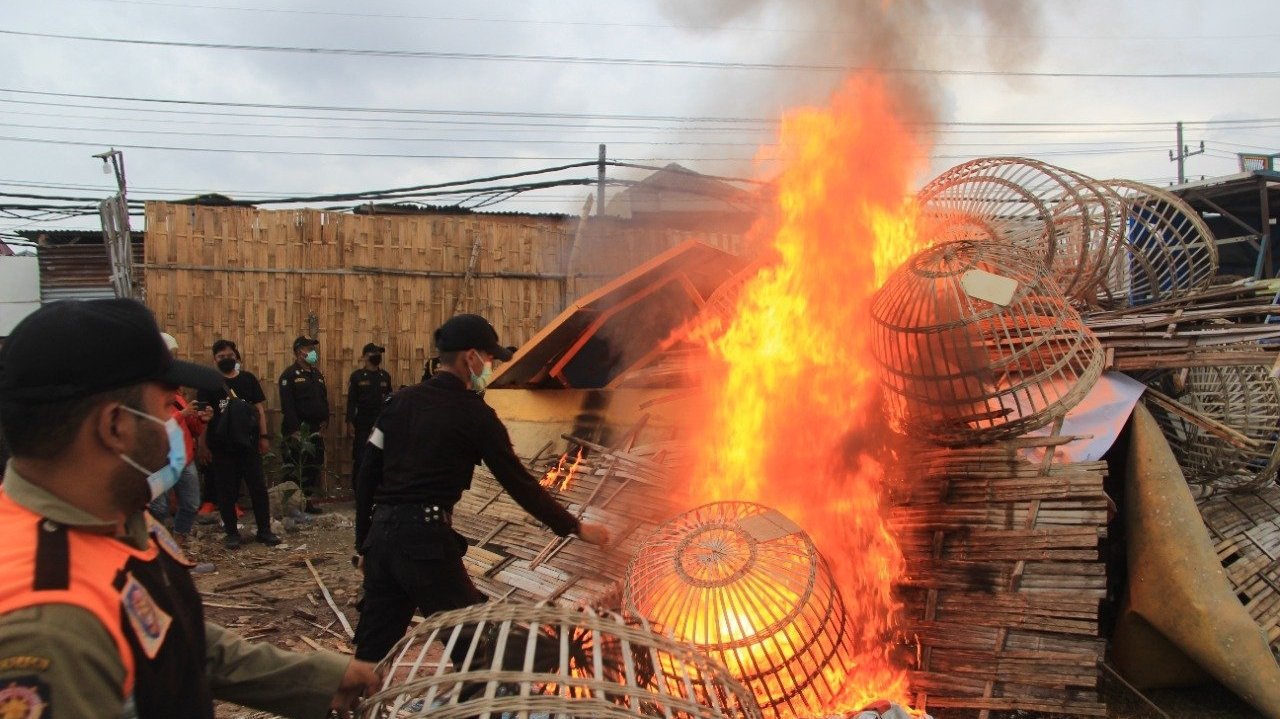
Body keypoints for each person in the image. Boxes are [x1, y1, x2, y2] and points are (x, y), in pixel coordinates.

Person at [0, 298, 379, 719]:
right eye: (167, 408)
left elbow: (175, 638)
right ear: (115, 426)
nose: (177, 421)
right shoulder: (49, 625)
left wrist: (316, 679)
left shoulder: (113, 514)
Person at [353, 314, 611, 664]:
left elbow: (367, 474)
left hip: (381, 542)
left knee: (369, 657)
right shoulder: (475, 415)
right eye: (489, 358)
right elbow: (519, 483)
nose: (490, 366)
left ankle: (354, 694)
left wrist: (364, 545)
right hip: (426, 544)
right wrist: (575, 527)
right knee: (478, 651)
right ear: (471, 357)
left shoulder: (398, 403)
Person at [197, 339, 280, 549]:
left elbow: (259, 410)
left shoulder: (248, 379)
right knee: (225, 491)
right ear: (214, 360)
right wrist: (202, 445)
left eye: (230, 356)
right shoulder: (208, 383)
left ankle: (264, 530)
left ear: (236, 357)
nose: (226, 359)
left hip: (248, 444)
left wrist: (263, 437)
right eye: (221, 357)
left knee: (258, 488)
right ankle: (232, 534)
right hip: (221, 446)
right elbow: (203, 417)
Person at [148, 332, 213, 541]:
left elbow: (192, 428)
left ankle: (178, 539)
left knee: (191, 503)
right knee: (158, 507)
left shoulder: (176, 392)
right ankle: (157, 544)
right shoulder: (147, 392)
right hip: (159, 460)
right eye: (170, 354)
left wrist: (202, 419)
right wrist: (182, 414)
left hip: (183, 458)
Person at [279, 336, 329, 513]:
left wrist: (325, 421)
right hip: (298, 429)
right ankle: (291, 505)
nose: (313, 352)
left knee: (313, 464)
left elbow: (323, 400)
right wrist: (294, 429)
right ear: (299, 352)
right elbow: (287, 405)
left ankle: (306, 501)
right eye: (309, 349)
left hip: (315, 429)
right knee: (295, 467)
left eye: (313, 349)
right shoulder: (289, 375)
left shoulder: (317, 375)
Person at [346, 342, 392, 489]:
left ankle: (378, 490)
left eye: (379, 353)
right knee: (361, 457)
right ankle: (359, 490)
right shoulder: (357, 376)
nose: (378, 356)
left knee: (380, 457)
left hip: (380, 423)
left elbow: (389, 400)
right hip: (363, 423)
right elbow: (351, 401)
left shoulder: (385, 376)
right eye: (374, 353)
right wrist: (349, 422)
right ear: (365, 357)